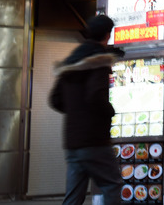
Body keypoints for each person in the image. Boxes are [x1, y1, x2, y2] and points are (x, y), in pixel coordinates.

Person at [49, 15, 124, 205]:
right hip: (94, 139)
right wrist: (110, 111)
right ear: (107, 35)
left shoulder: (71, 62)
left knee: (73, 197)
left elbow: (55, 99)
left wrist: (76, 111)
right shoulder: (99, 60)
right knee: (112, 184)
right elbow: (96, 96)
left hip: (72, 141)